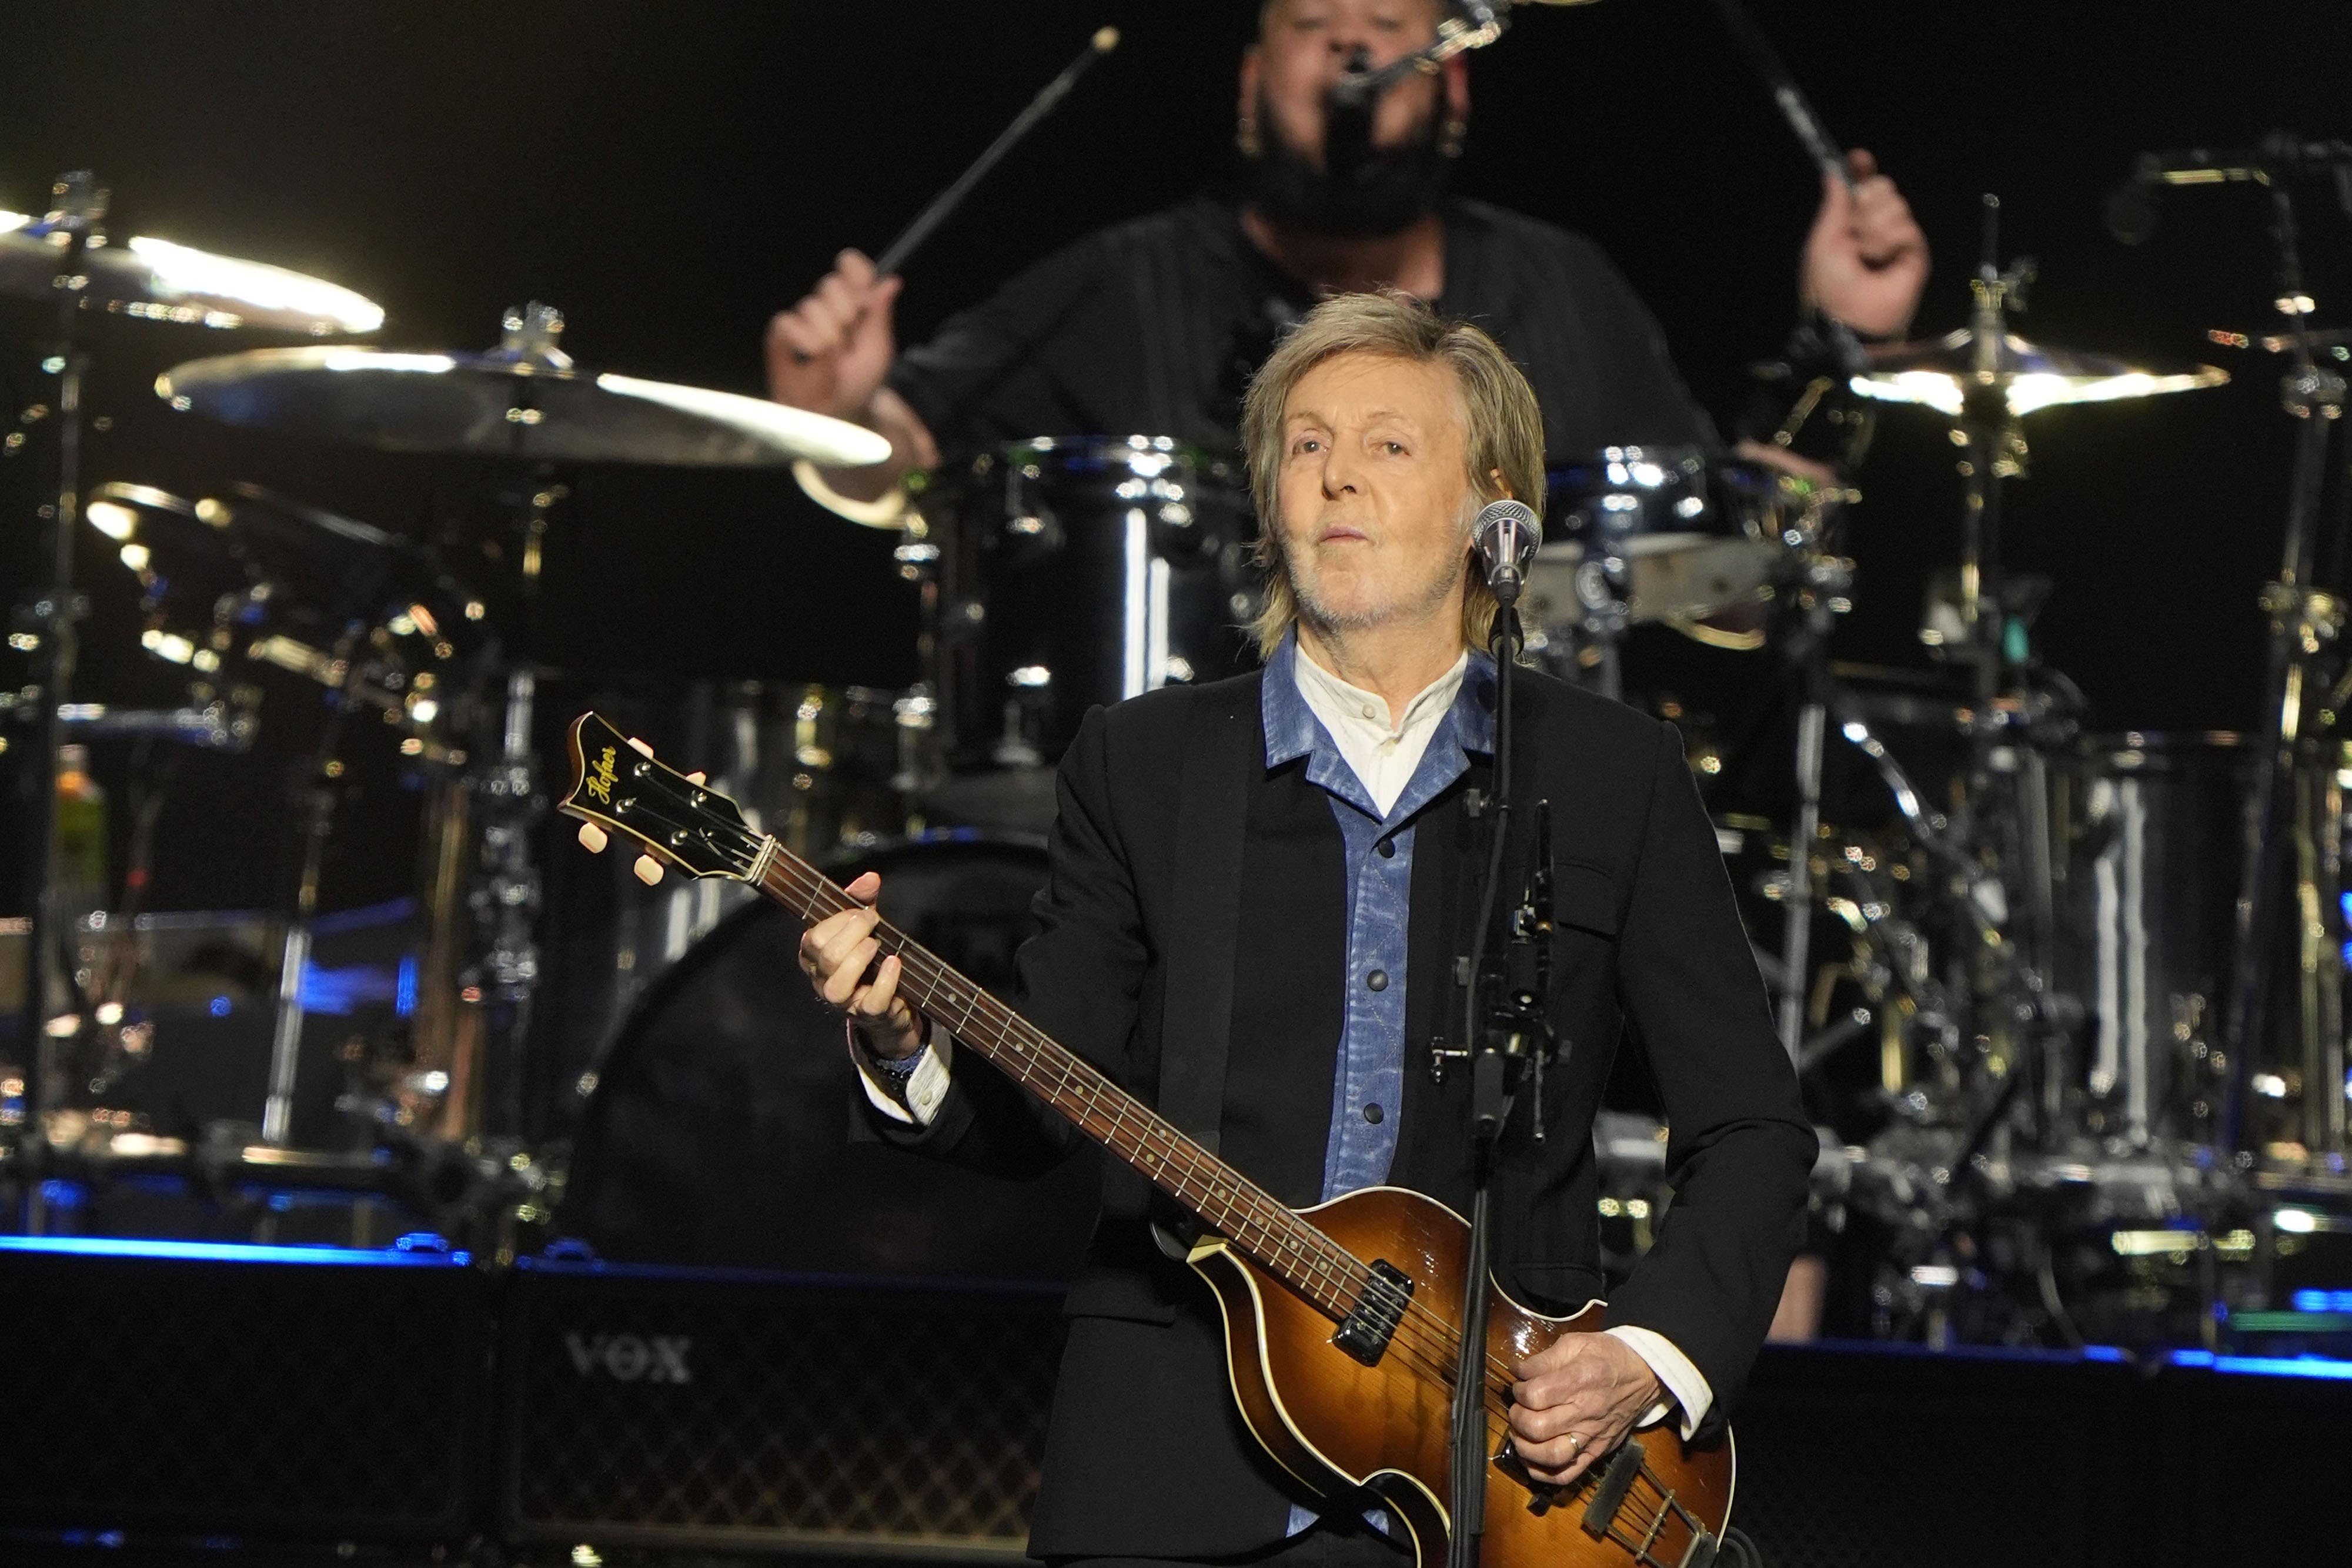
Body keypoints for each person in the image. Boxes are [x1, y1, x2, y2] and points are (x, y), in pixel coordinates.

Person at [799, 291, 1816, 1564]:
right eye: (1304, 444)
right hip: (1171, 1483)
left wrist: (1643, 1355)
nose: (1336, 475)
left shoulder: (1612, 775)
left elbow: (1750, 1126)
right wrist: (900, 1037)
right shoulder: (1144, 762)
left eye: (1388, 445)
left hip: (1505, 1493)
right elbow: (1038, 1103)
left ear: (1488, 507)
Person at [764, 0, 1929, 516]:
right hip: (1192, 868)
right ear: (1249, 85)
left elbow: (1717, 567)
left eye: (1387, 28)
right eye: (1317, 27)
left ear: (1454, 79)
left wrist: (1849, 345)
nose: (1355, 48)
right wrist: (833, 417)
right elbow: (889, 467)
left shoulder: (1561, 290)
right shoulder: (1124, 282)